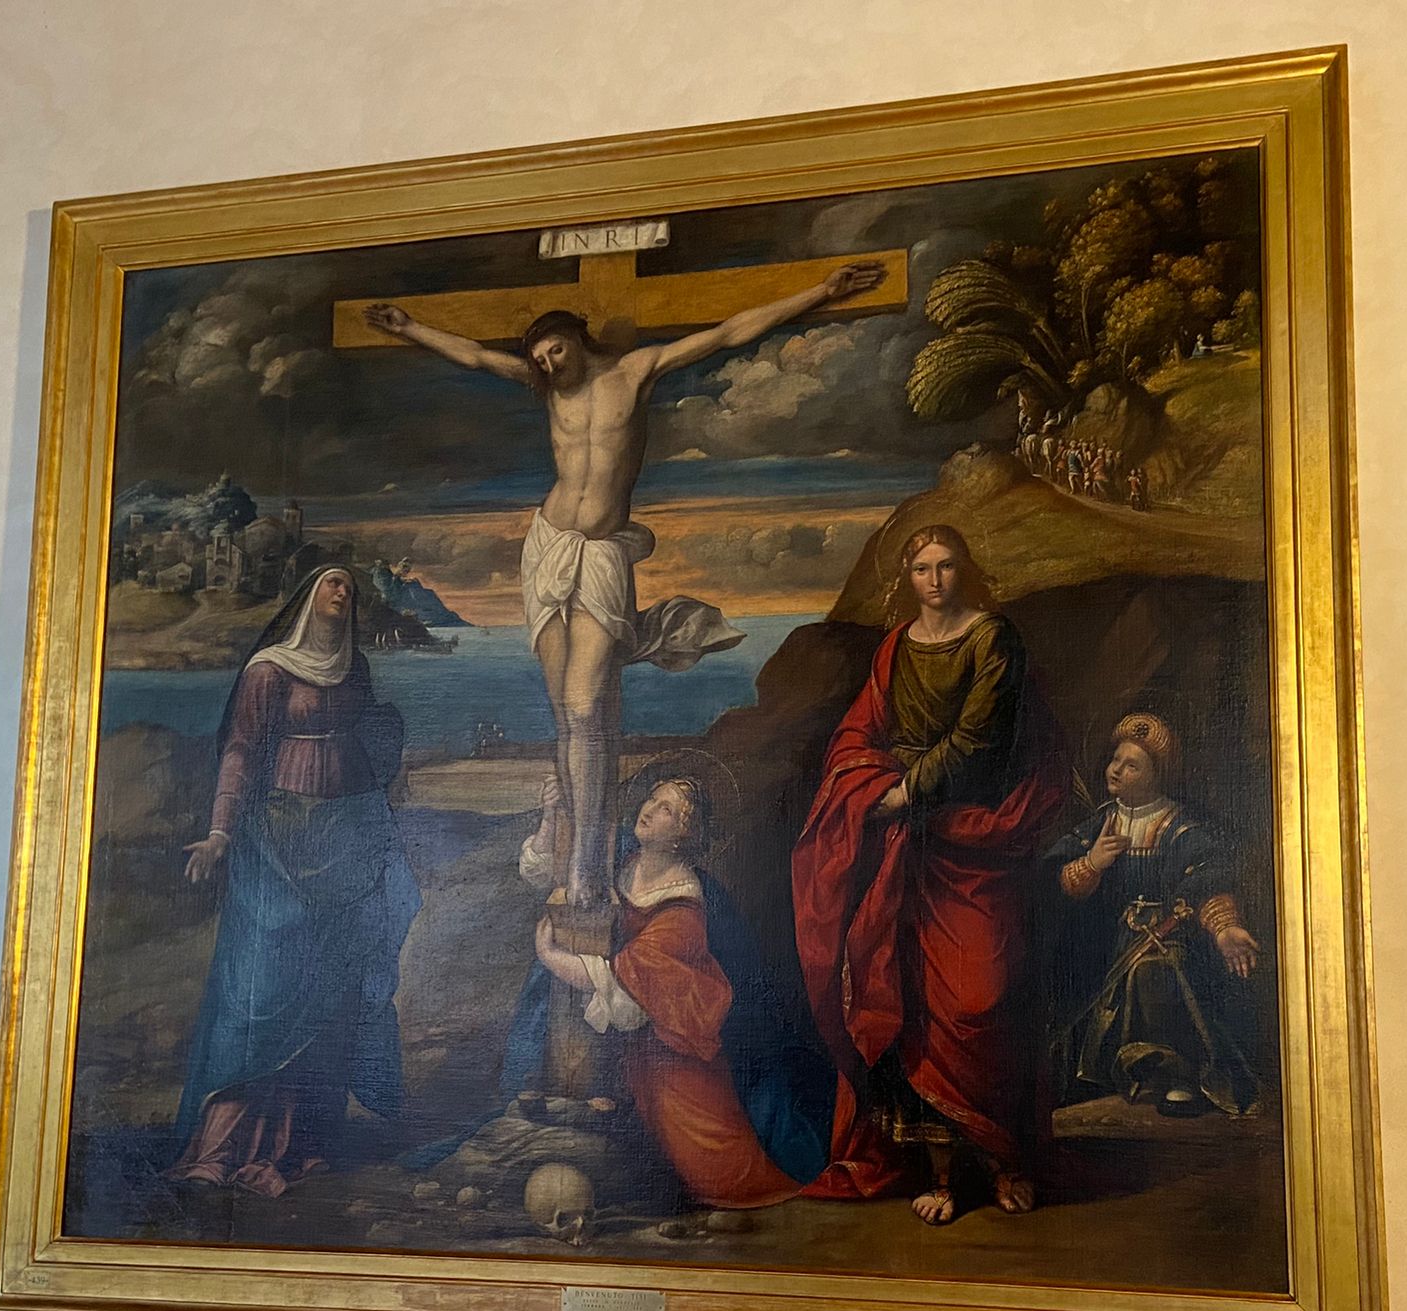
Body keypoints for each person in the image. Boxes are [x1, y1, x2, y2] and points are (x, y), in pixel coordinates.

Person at [364, 260, 885, 908]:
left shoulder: (634, 372)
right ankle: (580, 865)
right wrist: (409, 327)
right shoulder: (548, 389)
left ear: (577, 337)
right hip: (547, 548)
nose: (549, 364)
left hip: (603, 553)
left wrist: (823, 292)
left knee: (587, 708)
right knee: (567, 716)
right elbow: (473, 356)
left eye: (556, 350)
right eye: (541, 360)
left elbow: (728, 333)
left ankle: (587, 860)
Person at [791, 525, 1064, 1225]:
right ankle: (941, 1174)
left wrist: (904, 792)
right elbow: (858, 733)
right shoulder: (895, 648)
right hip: (908, 849)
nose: (935, 580)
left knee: (981, 999)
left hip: (976, 836)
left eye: (946, 566)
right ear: (907, 577)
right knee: (912, 1000)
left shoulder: (992, 639)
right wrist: (865, 785)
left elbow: (978, 738)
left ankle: (1006, 1159)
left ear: (964, 570)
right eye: (921, 568)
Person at [165, 565, 421, 1195]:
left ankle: (301, 1143)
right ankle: (220, 1150)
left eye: (349, 588)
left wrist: (382, 804)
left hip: (346, 841)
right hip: (278, 841)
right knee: (262, 994)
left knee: (331, 996)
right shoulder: (269, 671)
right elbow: (241, 749)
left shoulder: (355, 670)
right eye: (332, 583)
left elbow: (370, 740)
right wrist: (220, 831)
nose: (343, 593)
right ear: (308, 596)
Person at [529, 774, 825, 1208]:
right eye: (651, 799)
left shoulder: (684, 911)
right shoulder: (623, 860)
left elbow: (622, 978)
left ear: (683, 835)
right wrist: (550, 816)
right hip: (630, 1045)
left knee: (718, 1173)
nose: (648, 810)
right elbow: (549, 868)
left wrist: (550, 956)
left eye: (665, 809)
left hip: (676, 1054)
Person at [1037, 713, 1260, 1116]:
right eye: (1116, 760)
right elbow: (1058, 879)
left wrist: (1225, 928)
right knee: (1074, 969)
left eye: (1132, 766)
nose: (1116, 770)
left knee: (1154, 970)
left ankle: (1176, 1074)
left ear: (1157, 776)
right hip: (1110, 939)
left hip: (1169, 937)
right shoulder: (1101, 822)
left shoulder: (1180, 829)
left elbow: (1206, 883)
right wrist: (1092, 863)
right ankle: (1097, 1075)